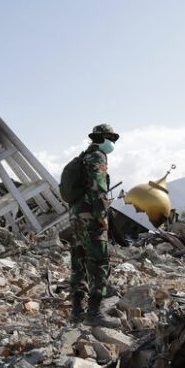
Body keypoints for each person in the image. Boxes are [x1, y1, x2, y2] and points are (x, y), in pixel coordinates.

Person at [69, 124, 121, 327]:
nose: (112, 143)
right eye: (110, 138)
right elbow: (98, 189)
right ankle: (94, 312)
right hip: (91, 216)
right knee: (99, 260)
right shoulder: (98, 156)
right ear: (100, 138)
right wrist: (101, 216)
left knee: (78, 259)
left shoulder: (83, 157)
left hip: (76, 215)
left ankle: (76, 311)